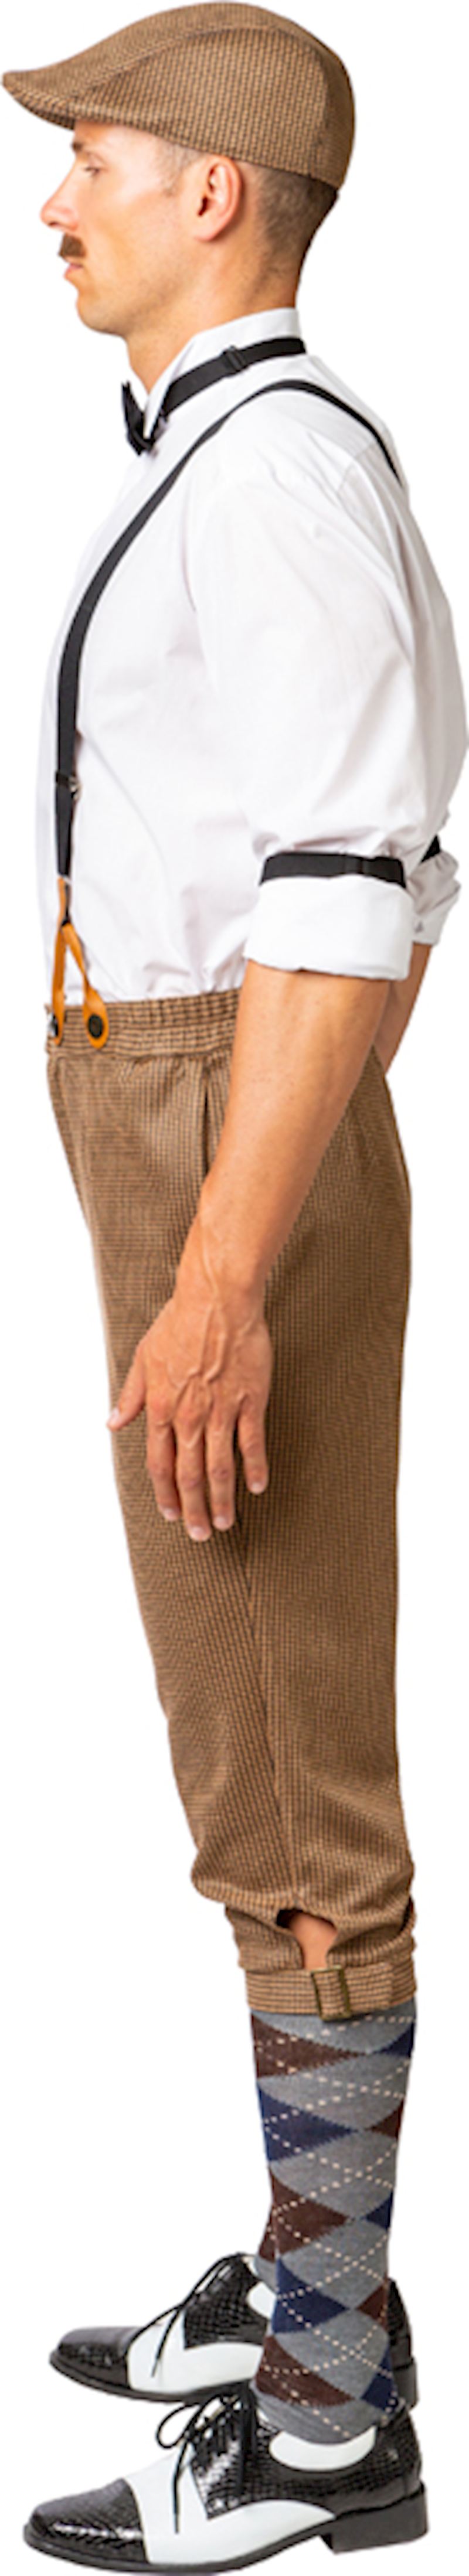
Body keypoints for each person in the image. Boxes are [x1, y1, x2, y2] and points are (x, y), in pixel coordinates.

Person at [2, 4, 467, 2562]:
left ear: (215, 194)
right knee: (240, 1747)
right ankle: (317, 2281)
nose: (50, 202)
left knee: (288, 1779)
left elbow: (349, 885)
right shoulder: (224, 456)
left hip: (224, 1134)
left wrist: (222, 1269)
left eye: (91, 159)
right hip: (184, 1104)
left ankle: (322, 2413)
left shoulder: (274, 469)